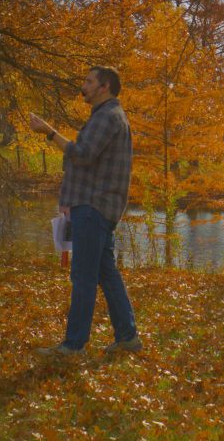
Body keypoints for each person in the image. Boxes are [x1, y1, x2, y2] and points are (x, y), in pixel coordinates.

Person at [29, 66, 141, 357]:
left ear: (104, 87)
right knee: (106, 272)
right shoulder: (104, 117)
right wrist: (68, 199)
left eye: (89, 81)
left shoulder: (108, 117)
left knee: (83, 277)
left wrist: (49, 132)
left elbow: (82, 155)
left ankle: (74, 345)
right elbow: (87, 164)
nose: (84, 86)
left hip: (94, 208)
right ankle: (128, 337)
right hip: (93, 205)